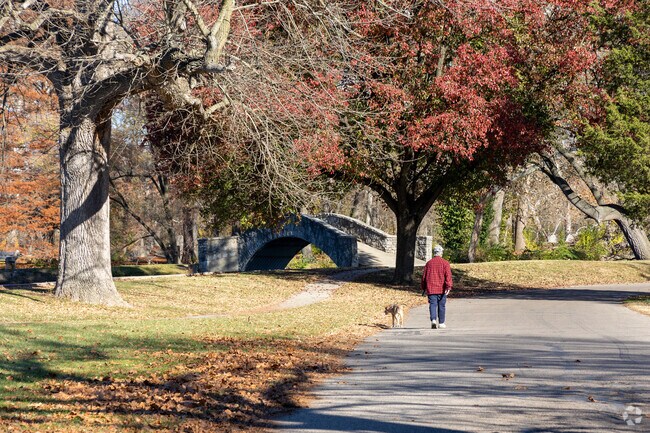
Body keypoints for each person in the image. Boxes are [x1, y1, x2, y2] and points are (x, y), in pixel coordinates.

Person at [421, 244, 452, 329]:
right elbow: (448, 276)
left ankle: (433, 320)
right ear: (441, 253)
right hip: (442, 289)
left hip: (431, 288)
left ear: (434, 253)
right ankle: (441, 323)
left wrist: (423, 287)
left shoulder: (429, 263)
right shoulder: (445, 263)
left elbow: (424, 277)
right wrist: (448, 286)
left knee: (433, 305)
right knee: (442, 305)